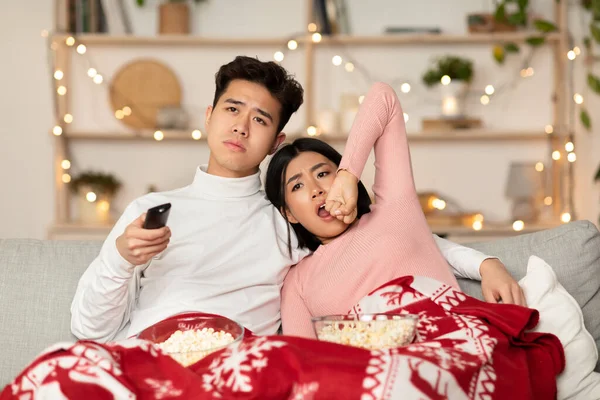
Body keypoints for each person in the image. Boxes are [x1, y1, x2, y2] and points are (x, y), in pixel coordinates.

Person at [70, 56, 309, 342]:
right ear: (208, 116)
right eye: (232, 109)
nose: (241, 127)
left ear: (275, 143)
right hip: (148, 361)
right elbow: (89, 331)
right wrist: (121, 259)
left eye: (259, 119)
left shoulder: (286, 224)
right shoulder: (148, 212)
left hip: (235, 368)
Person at [265, 82, 525, 338]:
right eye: (297, 186)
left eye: (323, 173)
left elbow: (383, 98)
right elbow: (305, 358)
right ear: (288, 213)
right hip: (370, 370)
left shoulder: (395, 210)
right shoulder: (297, 281)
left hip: (448, 347)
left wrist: (347, 176)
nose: (316, 189)